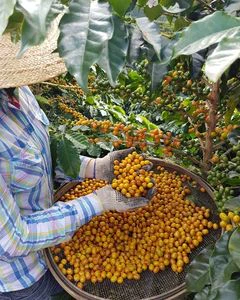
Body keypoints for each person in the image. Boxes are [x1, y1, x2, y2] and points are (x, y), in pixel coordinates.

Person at [0, 19, 152, 300]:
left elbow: (35, 161)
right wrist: (99, 201)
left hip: (58, 241)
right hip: (24, 278)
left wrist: (96, 168)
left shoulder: (16, 90)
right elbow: (12, 240)